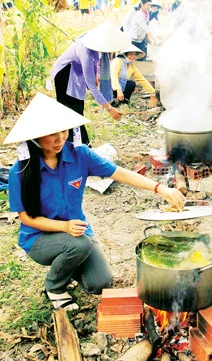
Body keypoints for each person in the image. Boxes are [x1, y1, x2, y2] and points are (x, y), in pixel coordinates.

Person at [5, 93, 185, 311]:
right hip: (39, 238)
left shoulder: (80, 155)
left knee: (101, 282)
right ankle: (54, 286)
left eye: (64, 130)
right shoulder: (21, 171)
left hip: (77, 232)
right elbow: (26, 218)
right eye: (51, 134)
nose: (60, 138)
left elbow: (120, 173)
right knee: (79, 245)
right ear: (34, 137)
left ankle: (67, 264)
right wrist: (64, 227)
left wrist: (160, 188)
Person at [50, 21, 130, 146]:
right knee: (71, 110)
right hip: (64, 73)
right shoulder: (86, 52)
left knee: (77, 109)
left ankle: (77, 144)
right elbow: (92, 87)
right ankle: (81, 144)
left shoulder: (98, 49)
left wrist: (96, 75)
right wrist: (109, 108)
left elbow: (95, 69)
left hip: (76, 72)